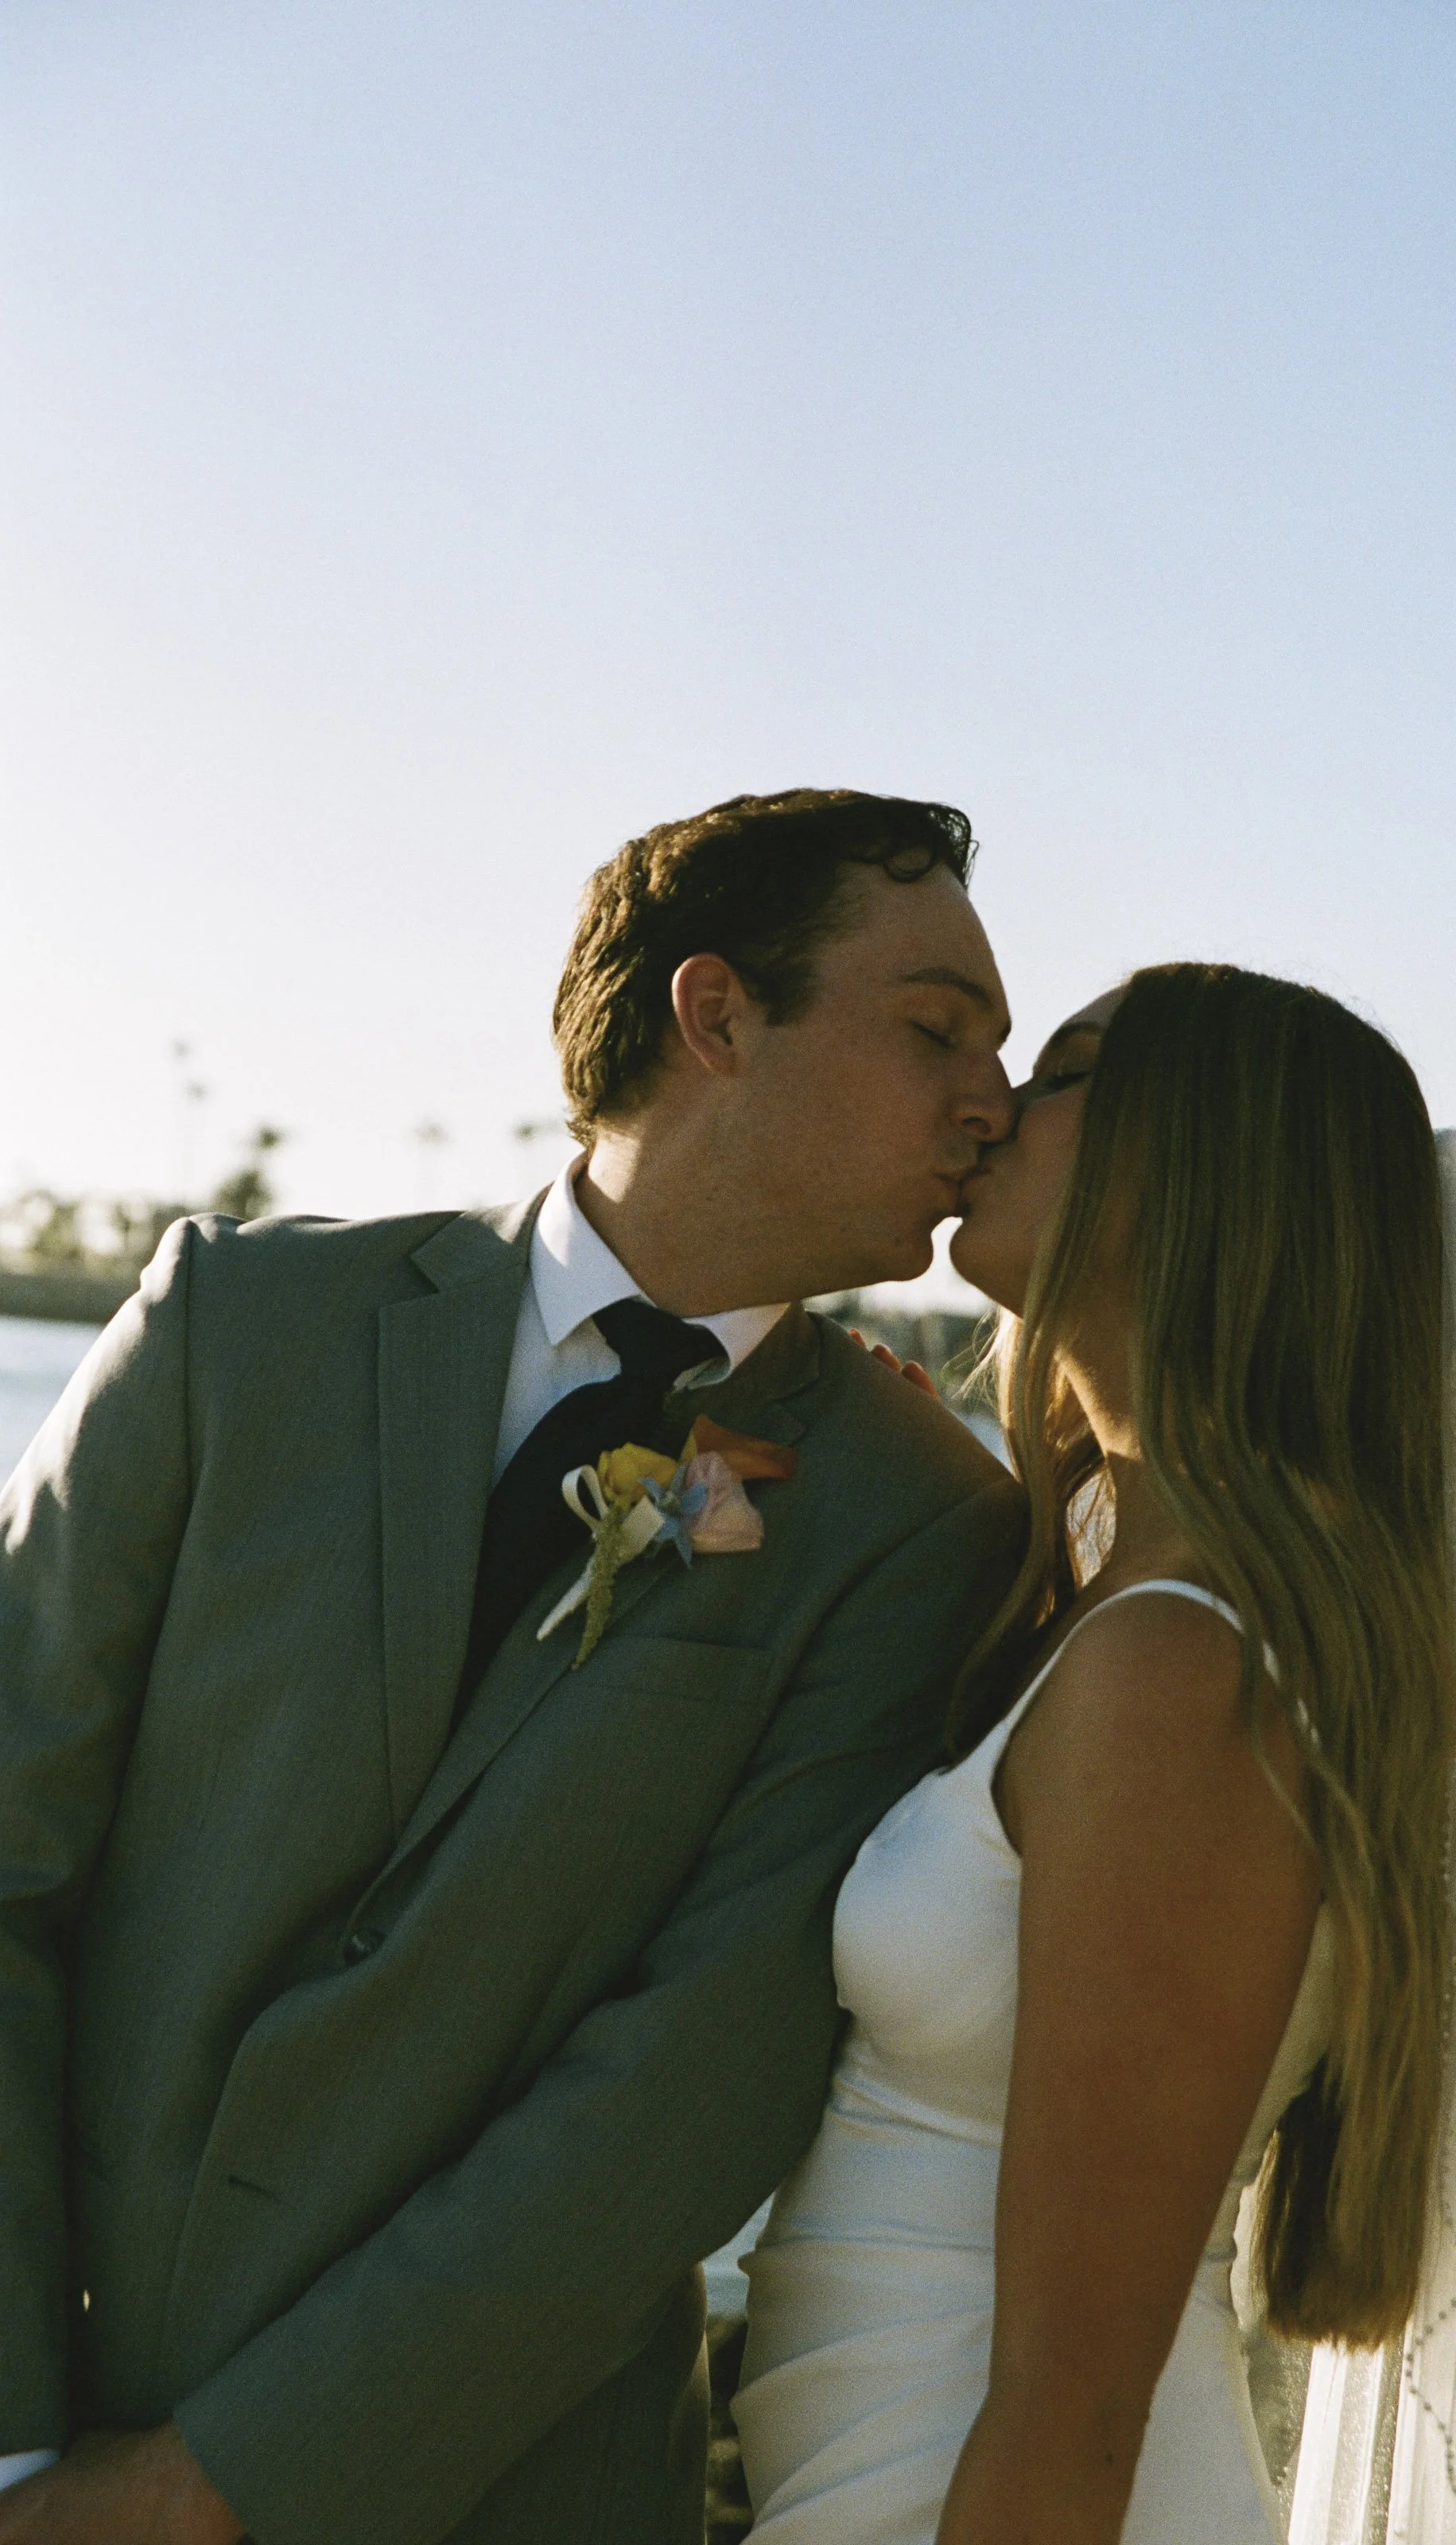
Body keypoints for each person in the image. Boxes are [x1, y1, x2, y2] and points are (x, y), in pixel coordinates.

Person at [0, 789, 1027, 2545]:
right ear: (715, 1016)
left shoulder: (917, 1519)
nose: (986, 1100)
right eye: (934, 1030)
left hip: (499, 2489)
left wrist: (218, 2485)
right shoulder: (232, 1324)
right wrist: (21, 2443)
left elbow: (687, 2084)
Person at [735, 962, 1456, 2543]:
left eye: (1062, 1077)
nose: (990, 1112)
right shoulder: (1109, 1608)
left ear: (1203, 1165)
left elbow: (1075, 2400)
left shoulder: (1182, 1670)